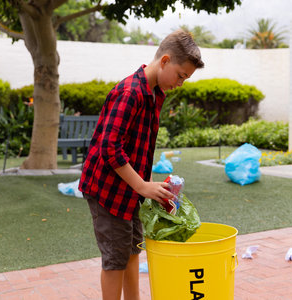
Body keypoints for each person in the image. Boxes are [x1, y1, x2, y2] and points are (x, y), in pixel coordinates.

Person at [78, 30, 204, 300]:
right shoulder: (130, 92)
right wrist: (142, 186)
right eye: (181, 75)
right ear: (165, 60)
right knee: (115, 259)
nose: (181, 83)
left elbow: (136, 145)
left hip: (128, 190)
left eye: (186, 79)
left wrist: (148, 186)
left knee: (132, 248)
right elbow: (109, 148)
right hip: (106, 190)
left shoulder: (156, 93)